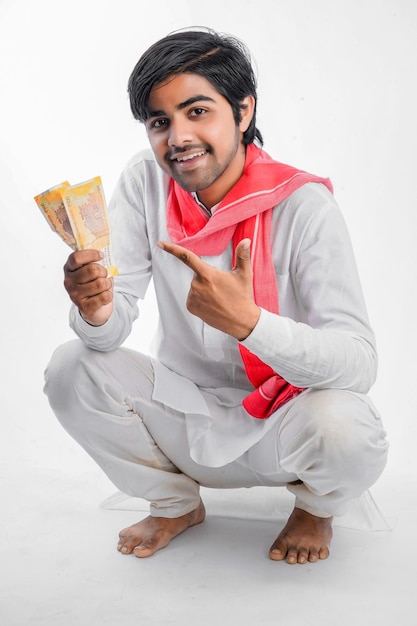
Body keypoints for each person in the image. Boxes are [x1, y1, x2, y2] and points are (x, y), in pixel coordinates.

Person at [44, 27, 388, 565]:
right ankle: (174, 501)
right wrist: (96, 307)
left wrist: (251, 324)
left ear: (243, 110)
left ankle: (316, 507)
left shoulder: (305, 205)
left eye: (197, 111)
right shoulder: (144, 182)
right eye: (160, 121)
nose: (177, 137)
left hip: (288, 428)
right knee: (71, 365)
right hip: (182, 417)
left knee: (348, 428)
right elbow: (115, 321)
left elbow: (359, 364)